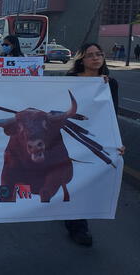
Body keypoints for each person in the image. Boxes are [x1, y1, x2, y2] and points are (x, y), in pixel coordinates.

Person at [65, 43, 125, 247]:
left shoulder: (110, 83)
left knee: (87, 182)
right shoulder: (70, 80)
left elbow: (112, 115)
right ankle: (78, 227)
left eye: (99, 54)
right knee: (74, 180)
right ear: (81, 60)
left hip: (96, 139)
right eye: (90, 55)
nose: (95, 58)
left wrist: (116, 141)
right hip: (72, 136)